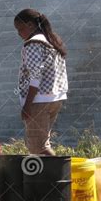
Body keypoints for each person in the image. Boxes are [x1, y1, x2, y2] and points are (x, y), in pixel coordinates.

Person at [14, 8, 68, 155]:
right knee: (40, 144)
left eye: (20, 28)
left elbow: (36, 76)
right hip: (54, 98)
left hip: (39, 100)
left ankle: (62, 176)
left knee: (39, 147)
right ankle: (48, 177)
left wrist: (27, 105)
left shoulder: (33, 44)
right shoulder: (51, 41)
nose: (19, 33)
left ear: (31, 25)